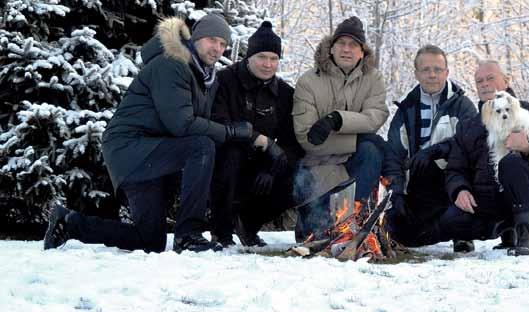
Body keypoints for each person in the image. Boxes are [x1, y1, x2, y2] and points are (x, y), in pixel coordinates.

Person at [43, 14, 255, 254]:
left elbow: (201, 122)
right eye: (212, 40)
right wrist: (230, 131)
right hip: (131, 148)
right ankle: (189, 235)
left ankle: (70, 223)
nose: (217, 48)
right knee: (202, 146)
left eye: (222, 44)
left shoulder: (205, 78)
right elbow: (181, 125)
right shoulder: (172, 64)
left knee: (149, 240)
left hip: (153, 155)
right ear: (196, 38)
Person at [428, 60, 529, 255]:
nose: (484, 84)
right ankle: (499, 232)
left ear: (506, 80)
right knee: (449, 220)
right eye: (479, 81)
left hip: (528, 197)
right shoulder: (468, 126)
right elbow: (455, 169)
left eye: (490, 78)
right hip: (485, 204)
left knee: (511, 162)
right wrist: (459, 190)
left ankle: (528, 238)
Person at [292, 16, 389, 239]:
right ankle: (313, 217)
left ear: (362, 52)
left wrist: (337, 120)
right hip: (319, 166)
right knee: (313, 234)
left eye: (354, 45)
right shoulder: (308, 81)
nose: (347, 49)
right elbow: (308, 138)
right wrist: (358, 138)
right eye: (342, 43)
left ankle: (355, 222)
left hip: (357, 164)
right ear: (331, 48)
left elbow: (375, 117)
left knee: (371, 151)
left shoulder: (374, 79)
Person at [210, 21, 304, 247]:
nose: (268, 64)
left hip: (262, 166)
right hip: (225, 160)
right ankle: (220, 231)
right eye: (262, 57)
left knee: (298, 169)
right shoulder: (225, 80)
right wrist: (256, 138)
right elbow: (218, 122)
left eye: (274, 59)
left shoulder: (284, 93)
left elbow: (292, 142)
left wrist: (271, 169)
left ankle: (249, 224)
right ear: (249, 56)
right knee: (231, 153)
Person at [384, 45, 477, 252]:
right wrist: (396, 192)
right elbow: (393, 156)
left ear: (447, 72)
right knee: (401, 232)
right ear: (416, 74)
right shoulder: (406, 109)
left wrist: (436, 151)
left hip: (453, 180)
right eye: (425, 70)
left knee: (460, 214)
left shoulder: (462, 106)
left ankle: (461, 233)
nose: (432, 75)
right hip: (418, 183)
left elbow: (471, 145)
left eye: (437, 69)